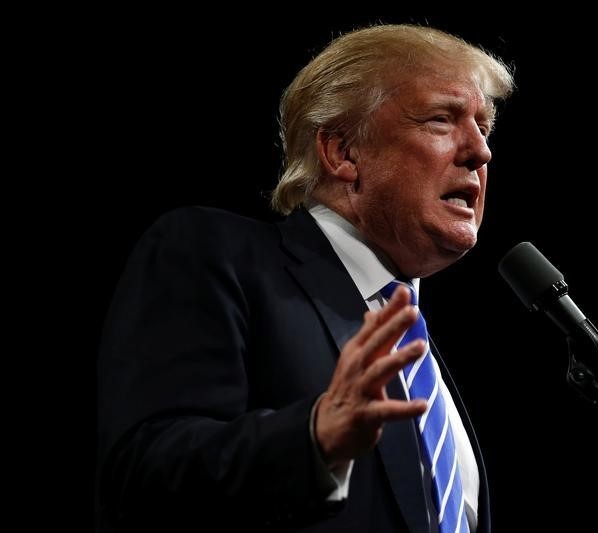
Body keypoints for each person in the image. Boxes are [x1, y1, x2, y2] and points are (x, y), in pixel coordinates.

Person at [96, 24, 513, 532]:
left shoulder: (416, 346)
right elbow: (141, 477)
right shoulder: (218, 256)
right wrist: (314, 439)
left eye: (484, 127)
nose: (480, 151)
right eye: (441, 119)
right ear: (342, 152)